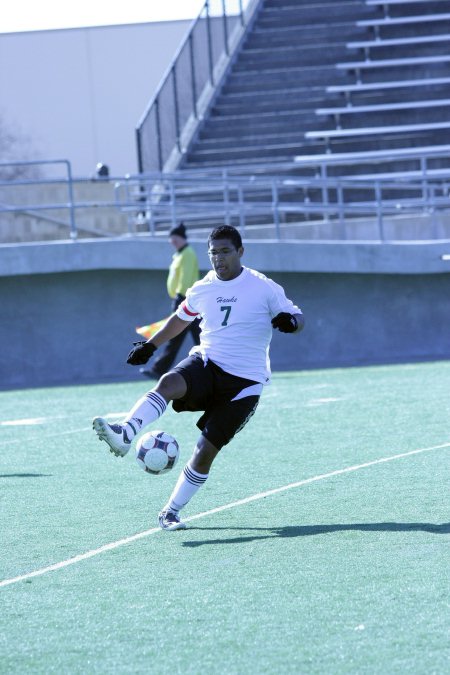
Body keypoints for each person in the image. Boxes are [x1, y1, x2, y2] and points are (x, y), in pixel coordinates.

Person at [93, 225, 304, 531]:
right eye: (213, 252)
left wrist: (292, 322)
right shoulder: (203, 287)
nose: (219, 258)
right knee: (167, 383)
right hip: (208, 362)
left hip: (244, 384)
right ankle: (126, 432)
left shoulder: (263, 287)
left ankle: (171, 511)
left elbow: (299, 317)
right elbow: (181, 318)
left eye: (225, 251)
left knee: (205, 452)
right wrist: (151, 346)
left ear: (240, 252)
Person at [140, 222, 201, 379]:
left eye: (174, 237)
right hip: (185, 300)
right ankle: (159, 368)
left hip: (187, 301)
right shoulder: (180, 254)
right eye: (170, 238)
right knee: (193, 337)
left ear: (181, 238)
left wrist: (180, 298)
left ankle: (159, 369)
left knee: (184, 337)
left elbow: (186, 279)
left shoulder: (187, 253)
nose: (171, 241)